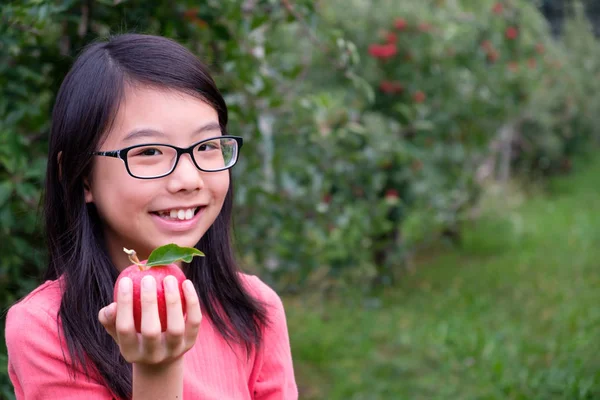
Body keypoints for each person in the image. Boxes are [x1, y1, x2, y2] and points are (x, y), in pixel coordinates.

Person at [4, 33, 298, 400]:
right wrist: (156, 369)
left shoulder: (254, 308)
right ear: (80, 176)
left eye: (206, 146)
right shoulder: (46, 328)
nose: (189, 180)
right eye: (149, 152)